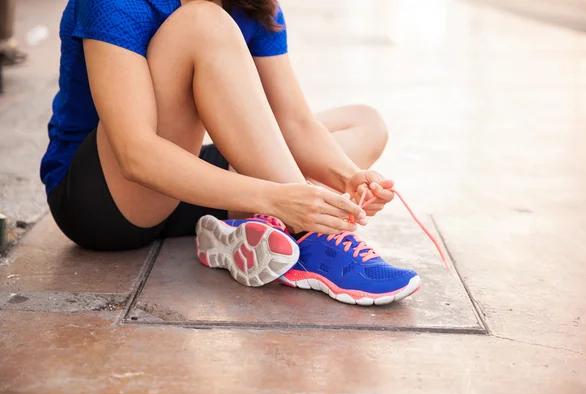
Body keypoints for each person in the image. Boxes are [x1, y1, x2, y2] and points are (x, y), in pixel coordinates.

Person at [40, 0, 421, 306]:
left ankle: (243, 230)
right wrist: (278, 197)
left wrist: (345, 178)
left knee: (364, 123)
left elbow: (295, 123)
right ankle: (305, 234)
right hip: (106, 202)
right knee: (203, 22)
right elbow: (134, 154)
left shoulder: (255, 6)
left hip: (184, 189)